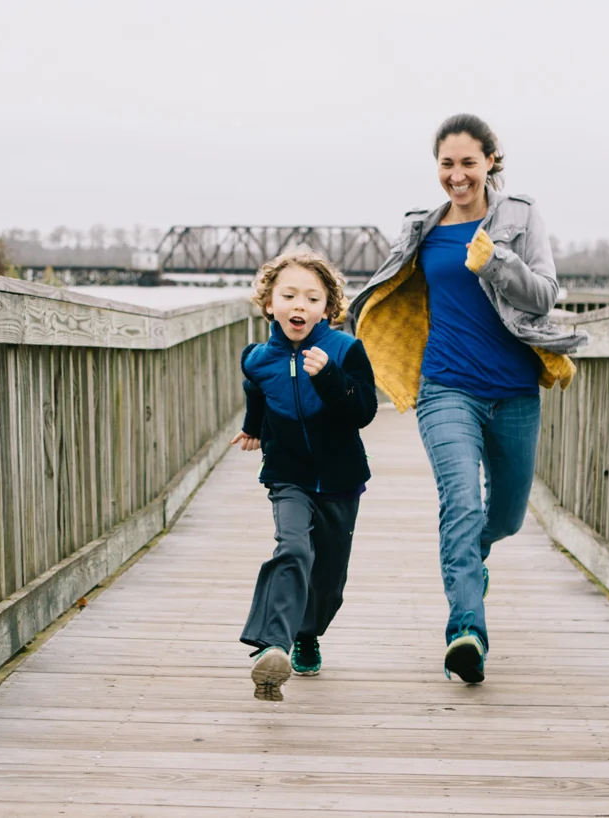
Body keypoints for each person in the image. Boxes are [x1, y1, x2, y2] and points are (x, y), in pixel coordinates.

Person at [346, 113, 586, 684]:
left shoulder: (521, 216)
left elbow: (545, 295)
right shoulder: (421, 228)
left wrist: (496, 262)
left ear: (490, 161)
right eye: (447, 164)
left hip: (514, 389)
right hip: (446, 385)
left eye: (468, 163)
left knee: (504, 517)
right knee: (461, 503)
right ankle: (466, 631)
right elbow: (388, 291)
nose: (457, 175)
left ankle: (470, 569)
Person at [233, 249, 378, 701]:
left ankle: (308, 632)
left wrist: (331, 377)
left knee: (329, 579)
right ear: (269, 303)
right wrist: (252, 428)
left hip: (341, 477)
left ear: (328, 308)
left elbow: (364, 410)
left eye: (312, 298)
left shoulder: (346, 350)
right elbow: (257, 390)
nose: (300, 305)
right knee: (293, 549)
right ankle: (273, 644)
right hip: (288, 474)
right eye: (289, 295)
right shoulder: (256, 358)